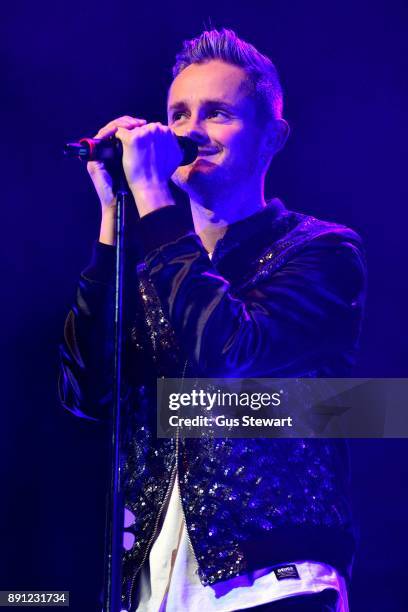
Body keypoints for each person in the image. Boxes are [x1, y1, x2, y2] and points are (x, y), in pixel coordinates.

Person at [59, 28, 366, 612]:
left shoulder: (322, 252)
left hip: (275, 580)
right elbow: (86, 394)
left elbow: (228, 354)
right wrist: (112, 218)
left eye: (216, 113)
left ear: (272, 138)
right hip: (153, 583)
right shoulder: (155, 258)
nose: (188, 131)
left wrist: (155, 206)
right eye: (177, 113)